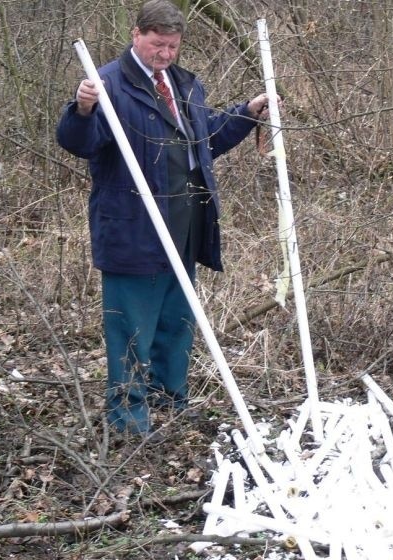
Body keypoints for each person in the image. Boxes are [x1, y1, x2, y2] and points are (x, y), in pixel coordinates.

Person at [57, 0, 276, 437]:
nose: (165, 54)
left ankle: (170, 402)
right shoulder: (107, 84)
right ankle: (129, 420)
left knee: (176, 324)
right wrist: (81, 109)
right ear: (136, 35)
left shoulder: (183, 84)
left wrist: (247, 112)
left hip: (185, 227)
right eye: (158, 44)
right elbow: (79, 143)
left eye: (173, 46)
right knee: (131, 331)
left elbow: (205, 138)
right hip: (134, 231)